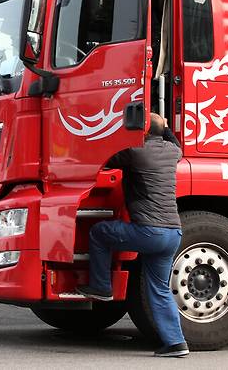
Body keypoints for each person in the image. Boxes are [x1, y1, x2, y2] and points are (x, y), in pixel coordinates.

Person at [76, 113, 188, 358]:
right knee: (159, 289)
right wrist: (166, 127)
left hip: (150, 231)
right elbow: (177, 143)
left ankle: (102, 286)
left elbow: (105, 158)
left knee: (99, 232)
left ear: (143, 131)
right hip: (173, 233)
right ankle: (176, 343)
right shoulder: (172, 152)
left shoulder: (135, 153)